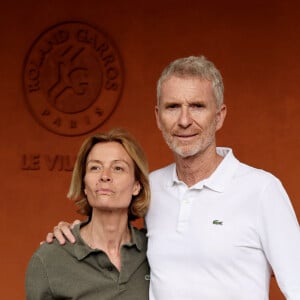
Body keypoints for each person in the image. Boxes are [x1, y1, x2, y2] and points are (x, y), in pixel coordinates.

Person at [45, 56, 300, 299]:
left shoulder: (261, 190)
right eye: (173, 107)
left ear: (219, 116)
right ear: (158, 117)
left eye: (197, 106)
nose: (184, 120)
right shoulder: (150, 187)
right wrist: (73, 232)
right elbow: (110, 231)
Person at [26, 128, 150, 300]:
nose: (105, 176)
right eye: (95, 167)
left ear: (136, 185)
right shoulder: (49, 259)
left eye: (118, 168)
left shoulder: (154, 251)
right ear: (84, 183)